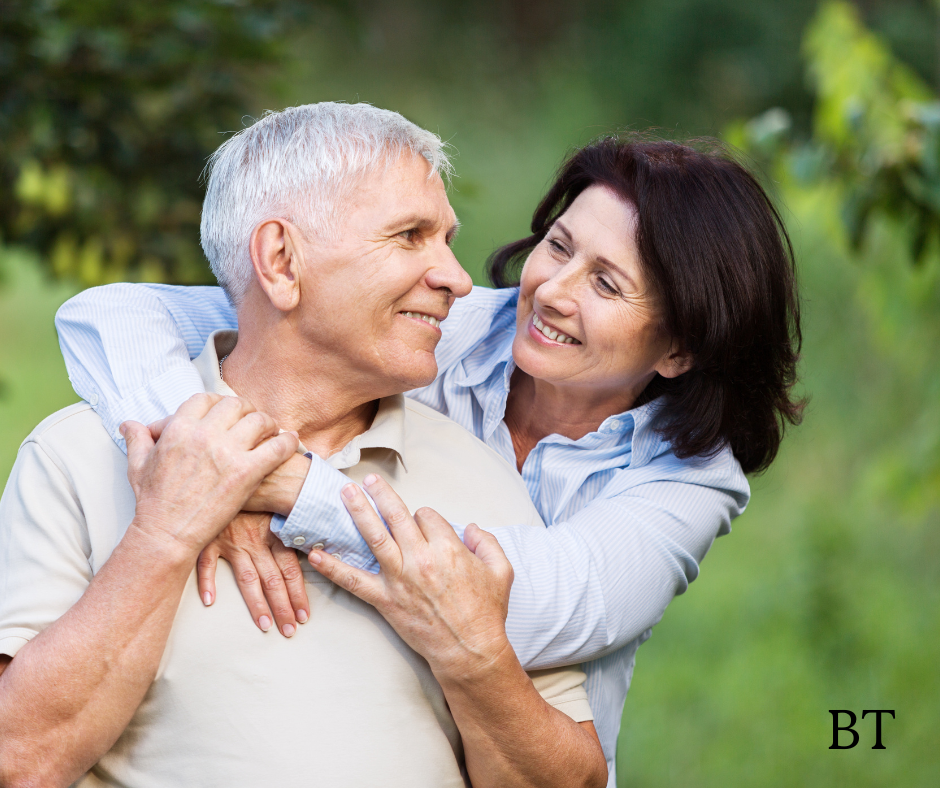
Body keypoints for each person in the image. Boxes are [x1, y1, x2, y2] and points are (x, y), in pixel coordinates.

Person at [54, 122, 804, 786]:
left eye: (606, 283)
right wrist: (203, 458)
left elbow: (513, 601)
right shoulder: (434, 327)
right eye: (559, 246)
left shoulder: (691, 483)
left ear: (677, 349)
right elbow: (111, 314)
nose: (550, 292)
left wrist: (283, 486)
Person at [0, 103, 608, 788]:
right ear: (282, 261)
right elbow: (19, 765)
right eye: (410, 236)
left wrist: (476, 659)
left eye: (446, 239)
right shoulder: (77, 458)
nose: (459, 279)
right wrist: (165, 535)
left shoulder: (482, 479)